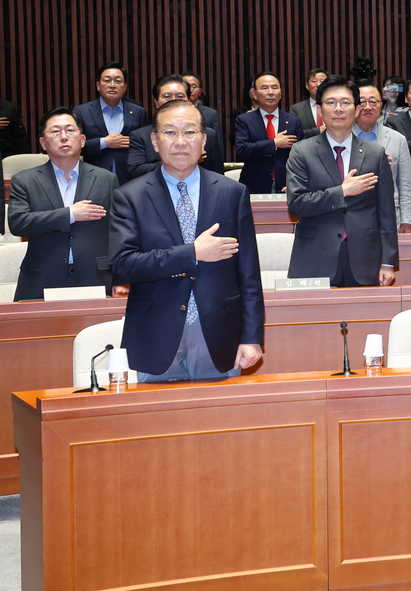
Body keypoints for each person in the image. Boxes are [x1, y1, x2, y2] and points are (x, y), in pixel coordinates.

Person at [109, 99, 264, 381]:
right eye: (170, 132)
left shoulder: (233, 192)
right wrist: (192, 253)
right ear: (154, 141)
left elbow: (249, 273)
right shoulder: (129, 196)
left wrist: (252, 336)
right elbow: (123, 265)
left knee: (220, 409)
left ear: (204, 140)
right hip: (155, 332)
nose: (180, 141)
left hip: (219, 333)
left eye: (190, 132)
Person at [284, 77, 398, 287]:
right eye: (331, 103)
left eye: (345, 103)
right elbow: (297, 205)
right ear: (320, 110)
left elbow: (386, 213)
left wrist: (388, 262)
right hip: (315, 257)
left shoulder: (375, 153)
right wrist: (342, 191)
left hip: (365, 258)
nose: (338, 109)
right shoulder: (301, 151)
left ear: (356, 110)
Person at [6, 108, 120, 300]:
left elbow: (119, 231)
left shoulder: (106, 179)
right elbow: (18, 223)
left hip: (95, 276)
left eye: (70, 130)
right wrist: (70, 214)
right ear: (43, 143)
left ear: (82, 140)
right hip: (41, 277)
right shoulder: (24, 180)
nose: (64, 137)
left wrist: (121, 277)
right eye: (55, 131)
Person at [126, 76, 223, 179]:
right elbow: (135, 171)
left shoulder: (207, 134)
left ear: (188, 100)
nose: (173, 100)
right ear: (156, 102)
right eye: (167, 96)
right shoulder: (141, 136)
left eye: (180, 96)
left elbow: (217, 177)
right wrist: (179, 161)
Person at [353, 82, 411, 233]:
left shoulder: (397, 139)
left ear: (381, 105)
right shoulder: (341, 138)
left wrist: (407, 221)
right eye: (362, 102)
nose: (368, 107)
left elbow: (405, 184)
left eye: (373, 102)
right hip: (351, 214)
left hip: (388, 216)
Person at [74, 61, 148, 184]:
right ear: (98, 85)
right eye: (107, 80)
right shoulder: (82, 111)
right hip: (93, 179)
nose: (112, 85)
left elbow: (146, 147)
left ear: (125, 87)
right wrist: (104, 142)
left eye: (118, 81)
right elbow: (74, 145)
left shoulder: (138, 112)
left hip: (129, 178)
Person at [233, 72, 302, 194]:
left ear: (280, 93)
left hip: (286, 185)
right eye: (264, 88)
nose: (270, 92)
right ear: (254, 94)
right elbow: (242, 150)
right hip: (254, 185)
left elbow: (301, 156)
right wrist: (274, 143)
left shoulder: (293, 121)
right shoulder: (244, 120)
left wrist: (295, 182)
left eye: (275, 88)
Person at [181, 72, 224, 158]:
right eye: (186, 86)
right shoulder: (168, 113)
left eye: (193, 86)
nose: (190, 90)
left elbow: (218, 147)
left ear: (200, 91)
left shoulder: (211, 114)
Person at [289, 67, 328, 134]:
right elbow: (293, 133)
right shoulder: (296, 109)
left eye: (322, 81)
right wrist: (317, 131)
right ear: (307, 85)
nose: (318, 84)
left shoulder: (336, 107)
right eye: (314, 81)